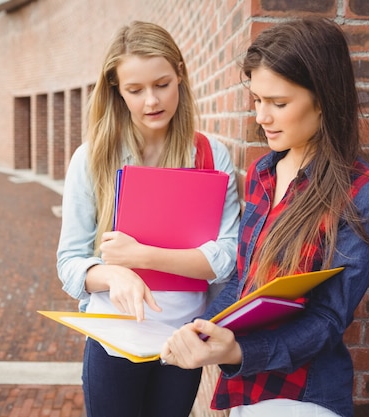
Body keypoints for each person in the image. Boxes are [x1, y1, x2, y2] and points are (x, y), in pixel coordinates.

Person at [160, 17, 369, 417]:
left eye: (279, 103)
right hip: (246, 389)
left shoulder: (365, 195)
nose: (261, 117)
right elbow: (242, 277)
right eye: (256, 100)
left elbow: (326, 320)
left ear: (324, 99)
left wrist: (238, 350)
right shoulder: (262, 173)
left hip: (303, 396)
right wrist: (201, 326)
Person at [56, 21, 241, 417]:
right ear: (117, 92)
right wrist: (114, 274)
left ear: (180, 75)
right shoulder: (90, 160)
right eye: (135, 90)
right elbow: (69, 263)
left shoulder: (211, 156)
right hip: (113, 339)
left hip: (183, 340)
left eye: (162, 84)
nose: (151, 101)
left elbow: (226, 258)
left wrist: (141, 256)